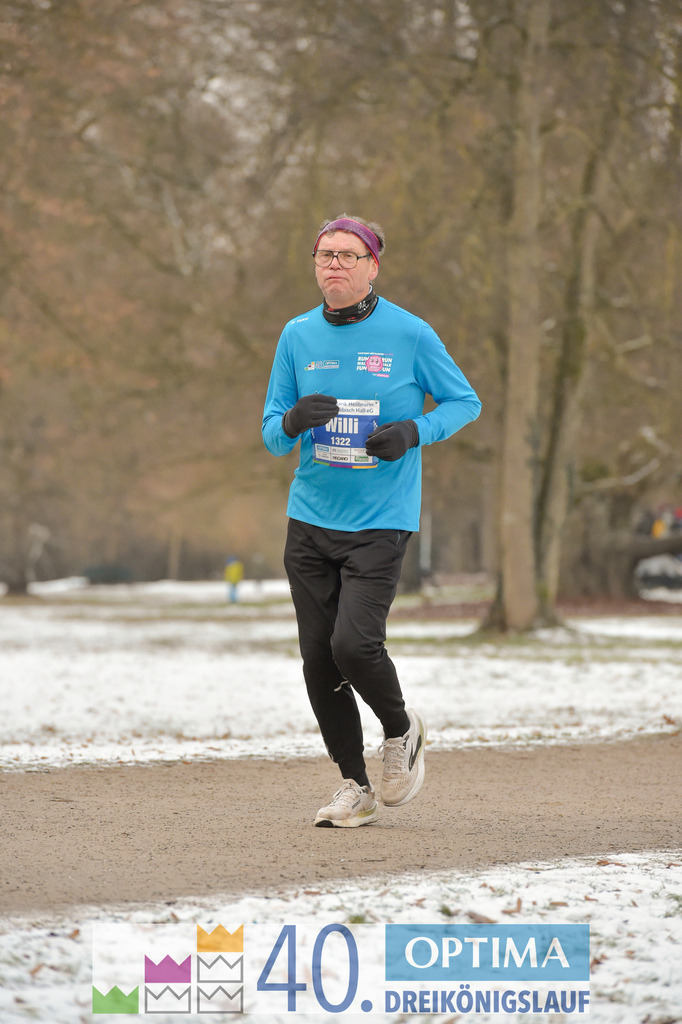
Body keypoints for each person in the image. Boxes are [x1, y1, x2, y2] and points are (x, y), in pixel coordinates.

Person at [262, 215, 481, 828]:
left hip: (381, 520)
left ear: (372, 266)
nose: (334, 263)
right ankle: (354, 786)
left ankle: (400, 729)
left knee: (353, 645)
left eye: (348, 255)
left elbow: (465, 402)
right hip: (310, 520)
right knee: (318, 658)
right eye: (324, 254)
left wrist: (413, 431)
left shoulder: (410, 333)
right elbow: (272, 434)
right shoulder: (296, 335)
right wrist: (292, 421)